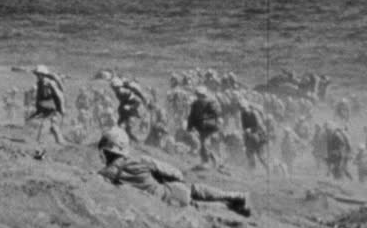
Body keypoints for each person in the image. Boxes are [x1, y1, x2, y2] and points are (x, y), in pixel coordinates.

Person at [96, 128, 251, 217]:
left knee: (195, 206)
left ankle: (230, 208)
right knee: (193, 190)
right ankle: (234, 197)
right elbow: (175, 173)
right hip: (171, 193)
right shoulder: (141, 161)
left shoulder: (105, 175)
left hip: (159, 204)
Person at [27, 65, 66, 145]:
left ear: (42, 74)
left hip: (52, 107)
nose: (37, 76)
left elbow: (59, 95)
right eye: (36, 74)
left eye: (38, 74)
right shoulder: (40, 83)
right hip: (44, 107)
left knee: (47, 123)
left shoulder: (50, 83)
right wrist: (38, 109)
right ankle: (60, 141)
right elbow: (39, 97)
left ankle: (42, 141)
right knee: (52, 125)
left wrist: (62, 108)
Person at [187, 86, 222, 169]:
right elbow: (191, 116)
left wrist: (206, 117)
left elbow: (216, 114)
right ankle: (214, 160)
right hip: (201, 127)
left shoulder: (210, 102)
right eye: (198, 94)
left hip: (209, 126)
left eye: (200, 94)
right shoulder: (195, 104)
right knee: (203, 144)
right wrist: (190, 126)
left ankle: (207, 161)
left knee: (205, 144)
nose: (199, 96)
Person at [239, 97, 270, 173]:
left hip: (259, 135)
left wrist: (250, 129)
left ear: (247, 106)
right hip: (250, 136)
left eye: (243, 108)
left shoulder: (254, 113)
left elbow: (259, 126)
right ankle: (252, 169)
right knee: (249, 153)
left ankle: (268, 169)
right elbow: (244, 126)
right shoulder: (243, 114)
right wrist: (246, 134)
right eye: (241, 108)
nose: (243, 110)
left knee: (260, 156)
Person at [111, 77, 147, 142]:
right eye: (113, 87)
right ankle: (130, 140)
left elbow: (137, 101)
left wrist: (130, 107)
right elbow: (124, 102)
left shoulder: (125, 92)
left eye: (114, 87)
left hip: (133, 110)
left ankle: (135, 141)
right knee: (121, 126)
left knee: (127, 127)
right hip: (126, 110)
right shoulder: (119, 92)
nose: (113, 89)